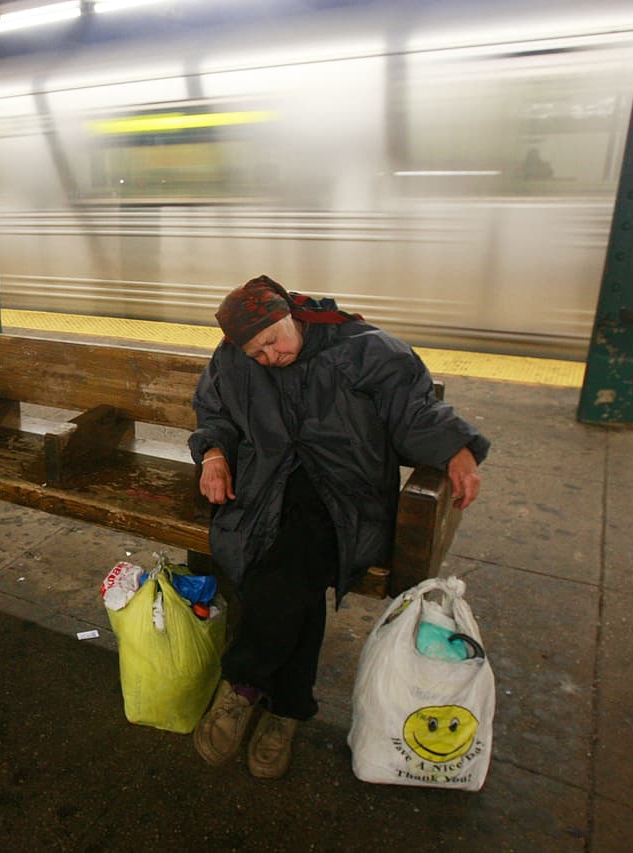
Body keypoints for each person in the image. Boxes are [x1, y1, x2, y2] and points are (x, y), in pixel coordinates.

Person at [188, 274, 489, 779]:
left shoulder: (362, 350)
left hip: (347, 495)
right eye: (256, 354)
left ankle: (242, 684)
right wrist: (214, 454)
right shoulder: (233, 358)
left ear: (290, 316)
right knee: (293, 574)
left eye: (272, 343)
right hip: (266, 487)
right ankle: (288, 707)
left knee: (285, 560)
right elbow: (213, 411)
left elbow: (412, 408)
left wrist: (456, 449)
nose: (269, 358)